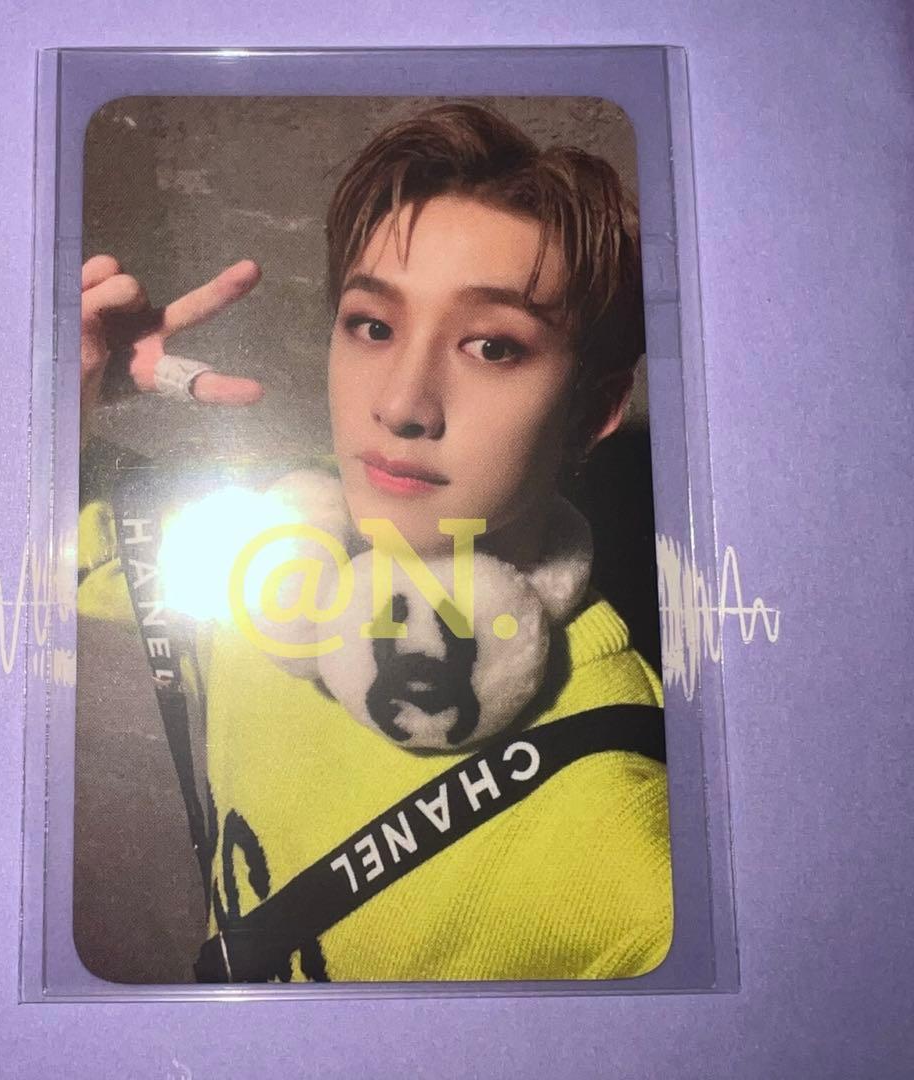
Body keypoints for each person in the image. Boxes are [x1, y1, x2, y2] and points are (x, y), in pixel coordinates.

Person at [77, 103, 671, 983]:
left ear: (595, 410)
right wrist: (61, 407)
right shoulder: (268, 548)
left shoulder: (629, 867)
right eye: (374, 326)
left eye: (492, 345)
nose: (399, 404)